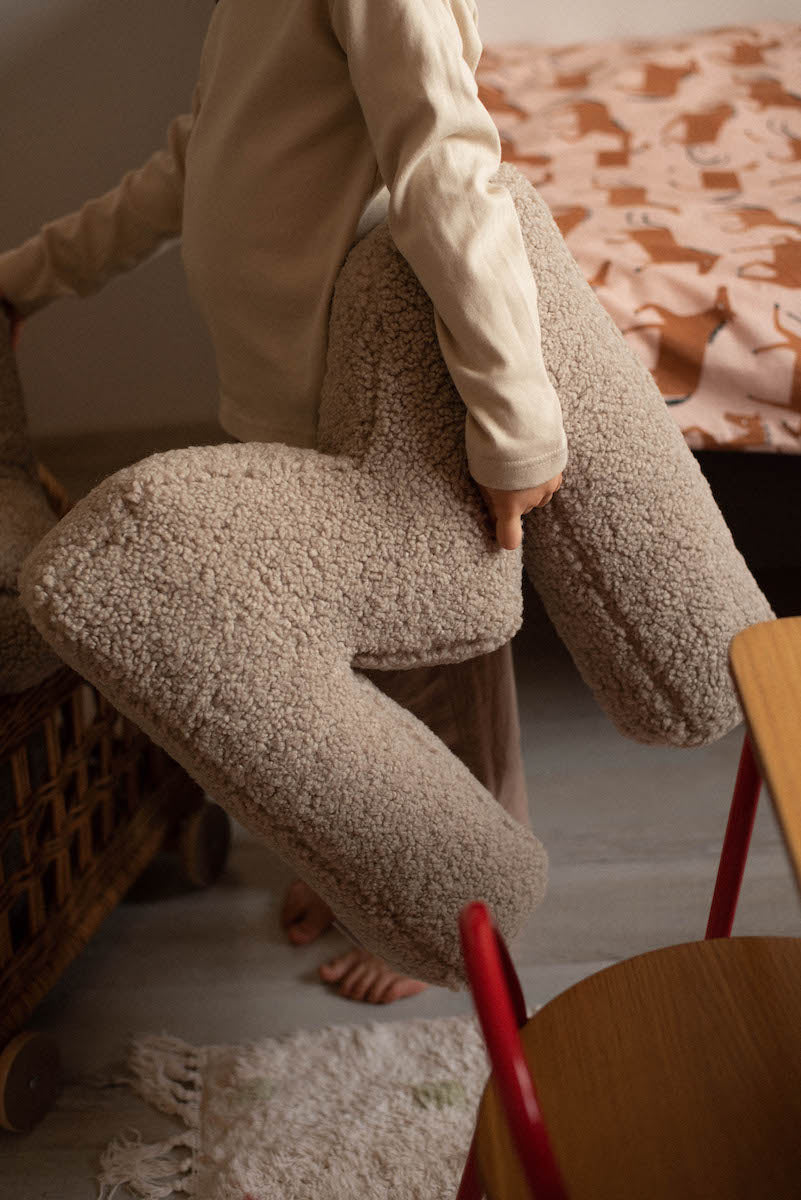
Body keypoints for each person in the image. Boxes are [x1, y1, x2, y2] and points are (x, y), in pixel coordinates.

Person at [0, 0, 566, 1004]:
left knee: (447, 679)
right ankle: (379, 869)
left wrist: (515, 421)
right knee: (334, 674)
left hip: (381, 403)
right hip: (283, 402)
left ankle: (455, 915)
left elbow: (448, 166)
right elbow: (198, 161)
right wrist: (29, 278)